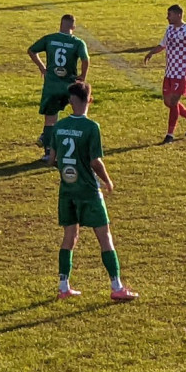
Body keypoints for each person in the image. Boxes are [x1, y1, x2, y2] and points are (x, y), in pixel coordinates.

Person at [51, 81, 139, 302]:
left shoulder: (59, 126)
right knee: (105, 237)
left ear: (71, 101)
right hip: (89, 191)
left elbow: (52, 159)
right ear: (89, 99)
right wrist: (107, 181)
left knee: (69, 236)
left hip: (67, 190)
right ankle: (116, 286)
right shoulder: (91, 127)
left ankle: (64, 286)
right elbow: (95, 161)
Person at [29, 14, 90, 161]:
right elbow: (85, 59)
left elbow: (31, 50)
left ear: (60, 25)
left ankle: (49, 151)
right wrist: (82, 77)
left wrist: (42, 68)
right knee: (80, 116)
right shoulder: (77, 42)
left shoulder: (50, 38)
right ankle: (80, 148)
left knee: (50, 120)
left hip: (51, 85)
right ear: (73, 27)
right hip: (70, 86)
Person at [143, 4, 186, 144]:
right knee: (168, 102)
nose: (167, 17)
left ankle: (169, 135)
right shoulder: (169, 29)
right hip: (169, 72)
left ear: (178, 15)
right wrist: (151, 52)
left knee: (173, 103)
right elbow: (162, 45)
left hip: (181, 73)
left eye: (169, 15)